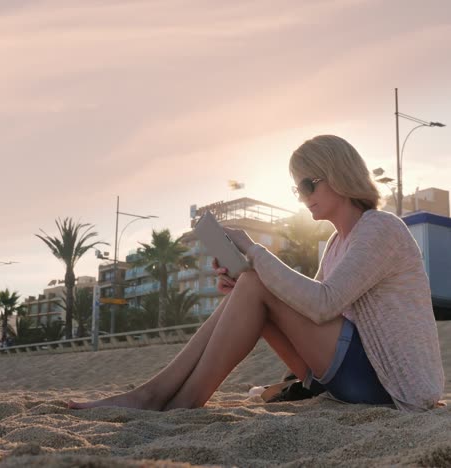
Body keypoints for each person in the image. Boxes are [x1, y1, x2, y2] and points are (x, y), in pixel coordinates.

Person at [68, 134, 444, 412]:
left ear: (339, 174)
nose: (302, 195)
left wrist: (252, 249)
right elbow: (311, 307)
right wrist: (246, 282)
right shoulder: (335, 244)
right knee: (249, 285)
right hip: (352, 376)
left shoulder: (380, 228)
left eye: (308, 184)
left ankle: (170, 400)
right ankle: (158, 396)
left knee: (255, 282)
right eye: (297, 189)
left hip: (394, 387)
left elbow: (323, 305)